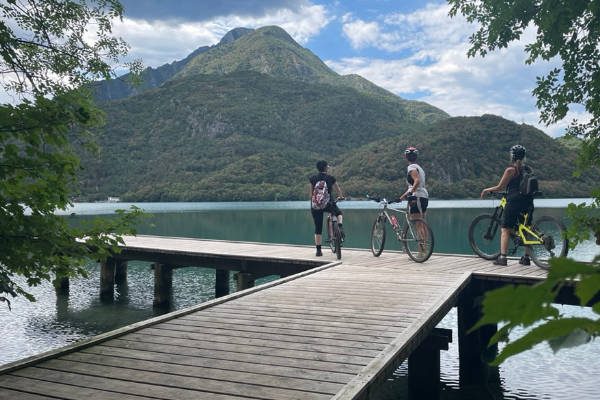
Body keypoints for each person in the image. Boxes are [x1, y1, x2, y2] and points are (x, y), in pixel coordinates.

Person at [480, 144, 534, 266]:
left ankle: (503, 258)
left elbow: (500, 187)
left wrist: (486, 190)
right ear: (524, 157)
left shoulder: (511, 170)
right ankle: (526, 258)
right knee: (526, 229)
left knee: (505, 229)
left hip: (514, 202)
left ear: (513, 156)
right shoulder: (528, 169)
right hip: (528, 202)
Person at [309, 160, 344, 256]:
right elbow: (338, 189)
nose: (328, 167)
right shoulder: (331, 178)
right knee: (339, 213)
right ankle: (340, 227)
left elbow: (311, 193)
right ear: (325, 167)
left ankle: (318, 251)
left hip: (316, 206)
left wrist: (314, 203)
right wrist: (341, 196)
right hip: (328, 204)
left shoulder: (313, 178)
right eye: (327, 166)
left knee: (318, 228)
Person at [399, 146, 429, 218]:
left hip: (417, 196)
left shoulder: (411, 167)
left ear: (406, 157)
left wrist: (411, 192)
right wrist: (401, 198)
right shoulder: (419, 168)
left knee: (417, 223)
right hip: (423, 196)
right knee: (420, 222)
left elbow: (417, 181)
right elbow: (413, 186)